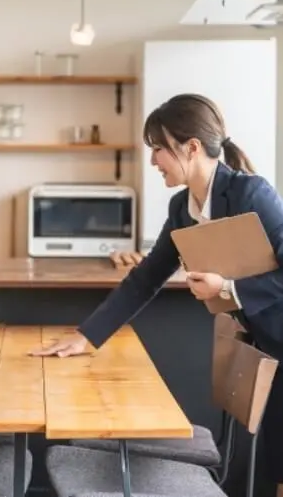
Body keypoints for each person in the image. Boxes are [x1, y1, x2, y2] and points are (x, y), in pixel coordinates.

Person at [31, 93, 283, 496]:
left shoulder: (251, 194)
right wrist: (87, 336)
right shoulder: (184, 207)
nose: (153, 161)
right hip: (267, 346)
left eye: (158, 149)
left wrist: (229, 288)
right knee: (276, 462)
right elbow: (146, 278)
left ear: (192, 147)